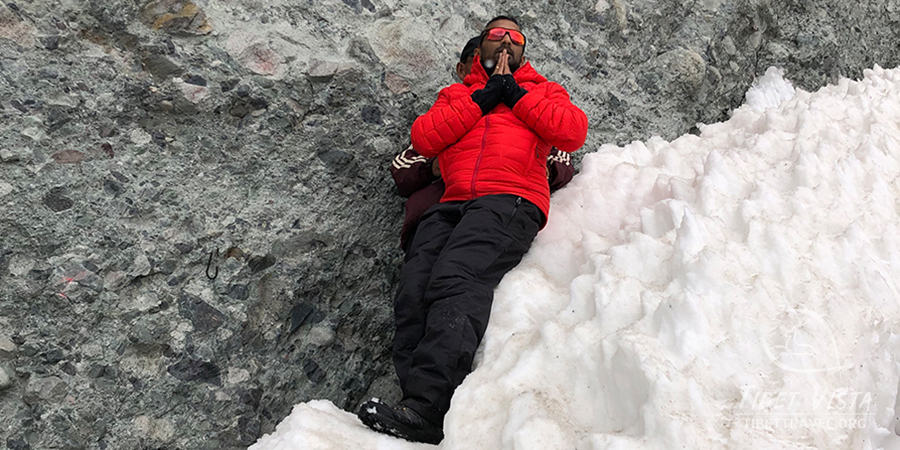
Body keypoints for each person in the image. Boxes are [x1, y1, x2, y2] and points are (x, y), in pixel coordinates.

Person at [360, 16, 588, 444]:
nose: (504, 41)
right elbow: (425, 138)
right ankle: (415, 405)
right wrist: (482, 98)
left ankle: (427, 407)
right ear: (479, 45)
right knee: (414, 288)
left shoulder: (544, 91)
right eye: (495, 35)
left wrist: (515, 94)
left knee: (457, 279)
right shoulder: (457, 94)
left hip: (509, 198)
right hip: (452, 201)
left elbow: (571, 132)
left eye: (513, 37)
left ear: (524, 50)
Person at [391, 36, 575, 255]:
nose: (497, 67)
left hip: (496, 213)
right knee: (418, 282)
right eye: (482, 60)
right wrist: (435, 167)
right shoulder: (444, 115)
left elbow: (563, 157)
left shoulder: (530, 115)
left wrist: (535, 167)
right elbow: (403, 168)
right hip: (431, 218)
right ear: (463, 69)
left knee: (457, 277)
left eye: (505, 60)